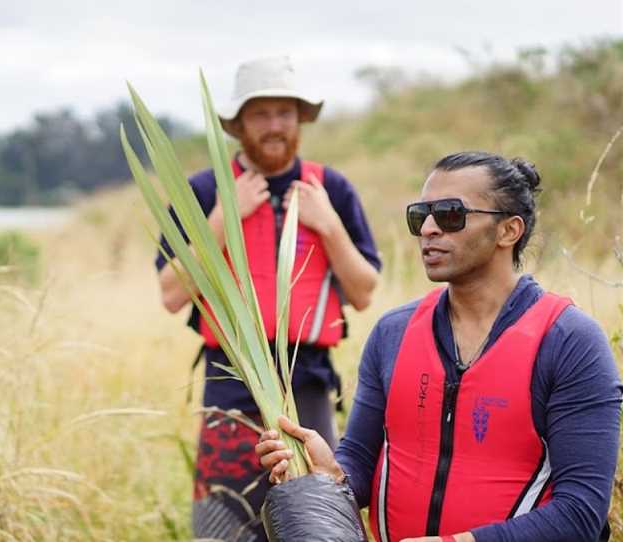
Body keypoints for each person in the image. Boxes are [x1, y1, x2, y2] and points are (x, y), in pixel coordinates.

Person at [257, 151, 623, 542]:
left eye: (450, 215)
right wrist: (330, 475)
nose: (429, 229)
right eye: (421, 215)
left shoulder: (569, 341)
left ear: (508, 230)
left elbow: (581, 513)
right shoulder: (392, 333)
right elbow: (361, 463)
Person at [155, 55, 381, 540]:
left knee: (314, 520)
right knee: (223, 523)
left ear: (300, 119)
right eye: (261, 114)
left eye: (285, 113)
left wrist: (329, 225)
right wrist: (221, 220)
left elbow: (363, 292)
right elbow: (171, 293)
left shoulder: (331, 189)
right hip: (230, 383)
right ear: (237, 125)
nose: (275, 125)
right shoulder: (203, 190)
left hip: (308, 383)